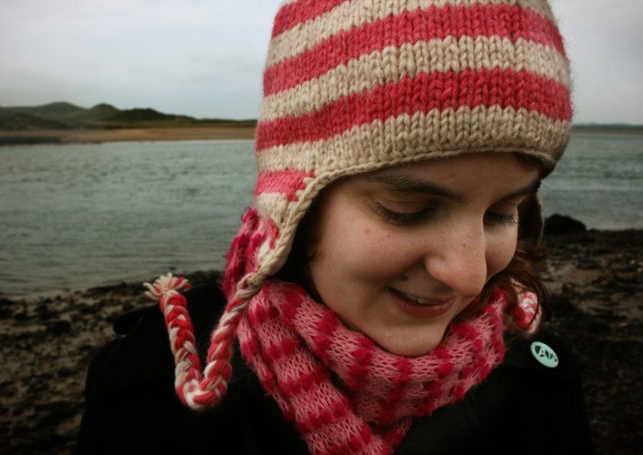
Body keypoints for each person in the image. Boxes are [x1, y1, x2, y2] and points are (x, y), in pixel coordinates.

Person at [78, 1, 592, 453]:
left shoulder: (540, 381)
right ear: (291, 206)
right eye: (407, 209)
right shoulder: (153, 403)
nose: (470, 276)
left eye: (502, 212)